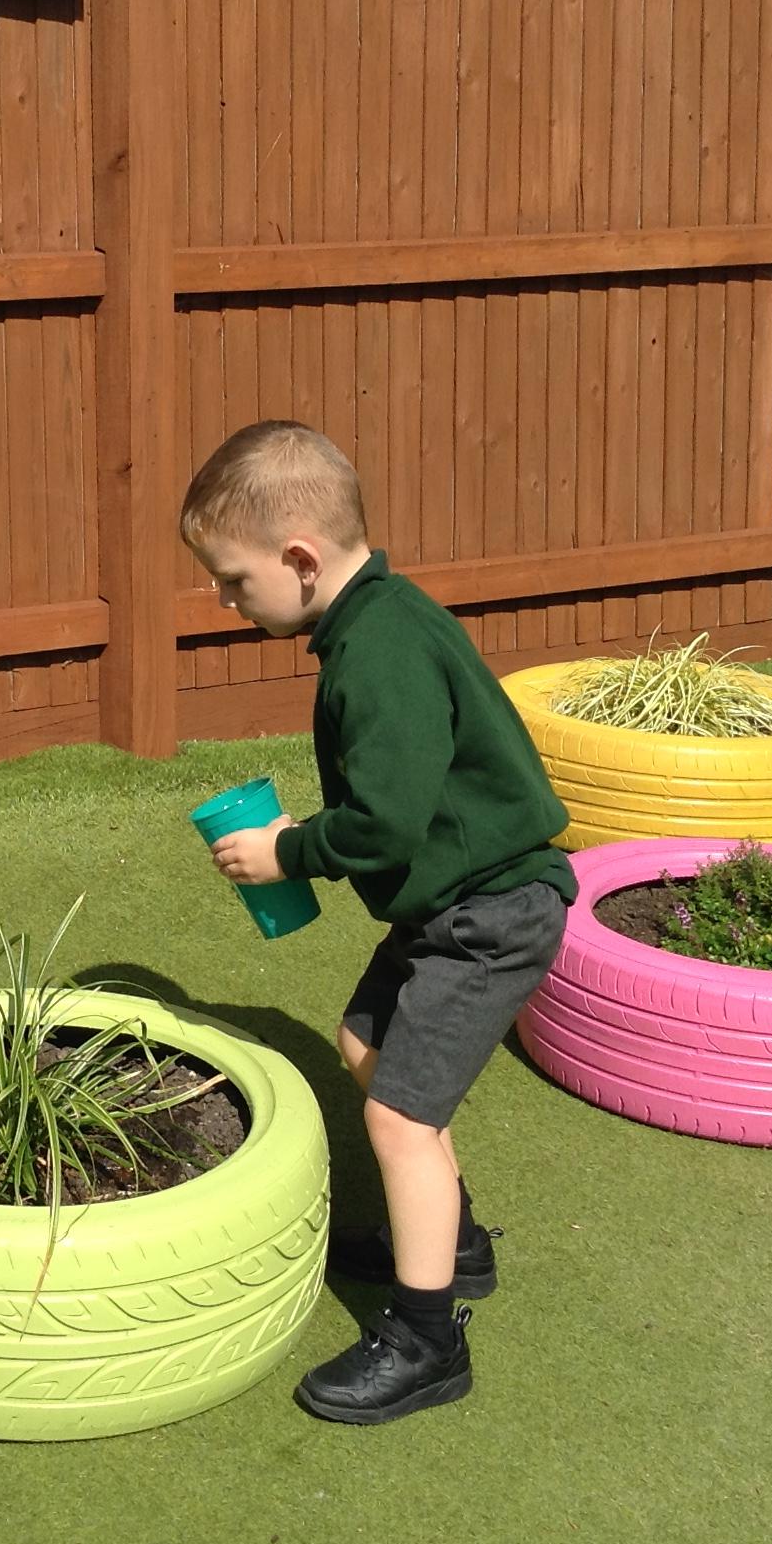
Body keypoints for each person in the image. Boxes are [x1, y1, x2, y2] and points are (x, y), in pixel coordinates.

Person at [181, 421, 576, 1424]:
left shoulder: (378, 653)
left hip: (489, 912)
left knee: (401, 1119)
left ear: (300, 559)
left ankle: (427, 1340)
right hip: (450, 902)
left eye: (233, 580)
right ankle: (454, 1243)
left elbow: (386, 822)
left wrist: (289, 851)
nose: (225, 600)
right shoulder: (374, 621)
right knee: (365, 1046)